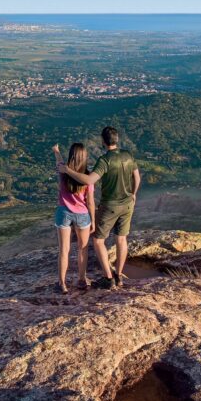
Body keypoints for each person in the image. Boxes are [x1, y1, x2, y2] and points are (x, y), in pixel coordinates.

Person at [58, 126, 140, 289]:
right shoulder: (128, 155)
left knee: (98, 240)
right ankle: (119, 276)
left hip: (110, 205)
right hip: (128, 204)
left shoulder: (104, 160)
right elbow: (136, 176)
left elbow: (89, 181)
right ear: (117, 139)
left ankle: (108, 278)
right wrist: (133, 193)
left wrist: (67, 170)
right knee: (121, 239)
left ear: (103, 141)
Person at [52, 142, 95, 294]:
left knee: (64, 250)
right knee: (82, 249)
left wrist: (56, 150)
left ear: (71, 156)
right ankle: (82, 280)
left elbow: (59, 161)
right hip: (82, 214)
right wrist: (93, 221)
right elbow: (90, 201)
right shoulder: (88, 177)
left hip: (63, 212)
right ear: (84, 157)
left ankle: (62, 284)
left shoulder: (63, 171)